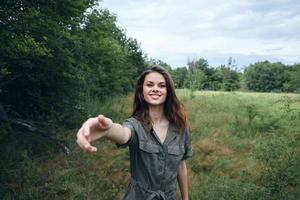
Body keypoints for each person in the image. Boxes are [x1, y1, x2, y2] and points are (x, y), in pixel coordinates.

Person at [76, 65, 192, 200]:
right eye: (149, 85)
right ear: (142, 90)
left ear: (169, 91)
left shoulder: (181, 127)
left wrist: (185, 198)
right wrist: (108, 129)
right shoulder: (135, 125)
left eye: (161, 85)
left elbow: (181, 164)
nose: (155, 89)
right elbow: (124, 134)